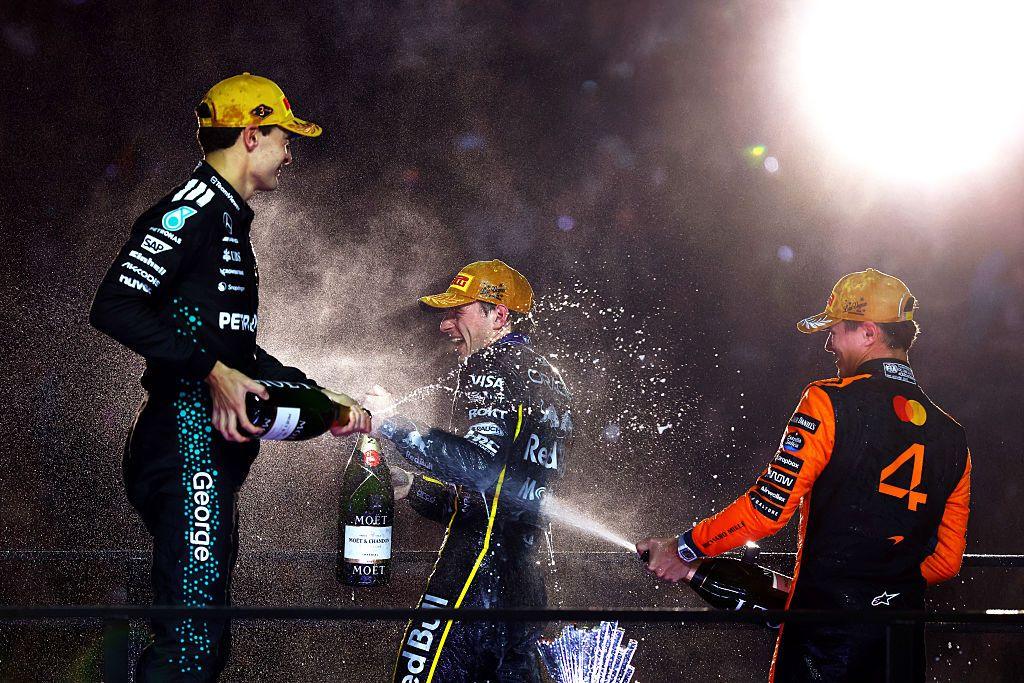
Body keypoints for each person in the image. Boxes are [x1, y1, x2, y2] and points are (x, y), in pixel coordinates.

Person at [89, 73, 370, 681]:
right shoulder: (189, 213)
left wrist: (322, 394)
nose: (289, 153)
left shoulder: (228, 220)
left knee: (205, 646)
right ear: (250, 136)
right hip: (185, 444)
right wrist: (211, 370)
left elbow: (236, 352)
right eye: (283, 138)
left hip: (208, 456)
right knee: (189, 648)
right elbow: (113, 306)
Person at [637, 268, 971, 683]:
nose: (830, 343)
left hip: (823, 648)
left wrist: (683, 548)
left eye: (836, 331)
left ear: (869, 333)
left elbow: (766, 512)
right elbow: (946, 561)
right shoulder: (953, 436)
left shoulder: (827, 401)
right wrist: (879, 588)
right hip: (900, 650)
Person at [362, 260, 572, 683]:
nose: (445, 325)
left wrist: (389, 423)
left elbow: (477, 466)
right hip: (526, 585)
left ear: (499, 315)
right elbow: (501, 495)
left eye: (458, 312)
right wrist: (414, 489)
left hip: (476, 574)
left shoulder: (490, 365)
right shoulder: (551, 380)